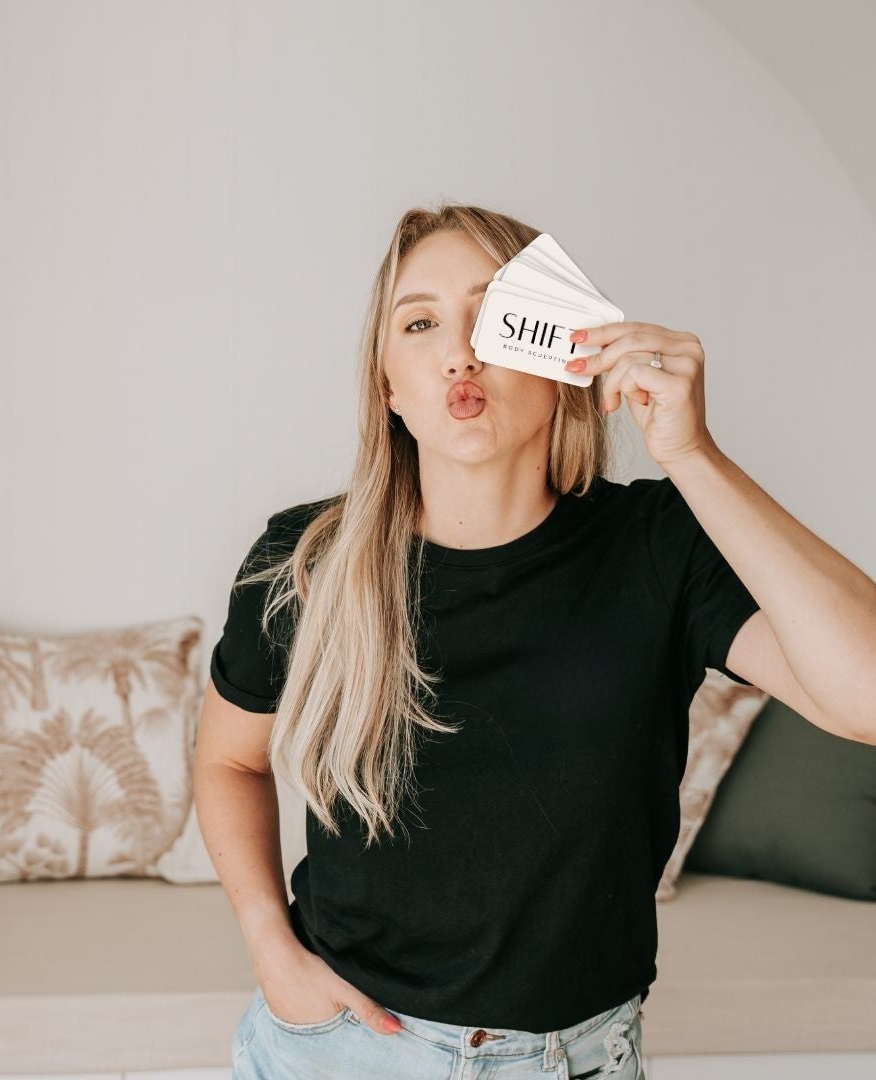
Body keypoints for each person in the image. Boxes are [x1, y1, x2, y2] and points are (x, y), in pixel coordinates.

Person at [194, 202, 876, 1079]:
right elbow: (228, 763)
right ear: (388, 387)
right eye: (420, 322)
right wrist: (268, 947)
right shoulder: (303, 560)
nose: (458, 350)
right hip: (343, 1050)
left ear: (563, 362)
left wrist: (693, 453)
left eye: (491, 314)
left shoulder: (659, 544)